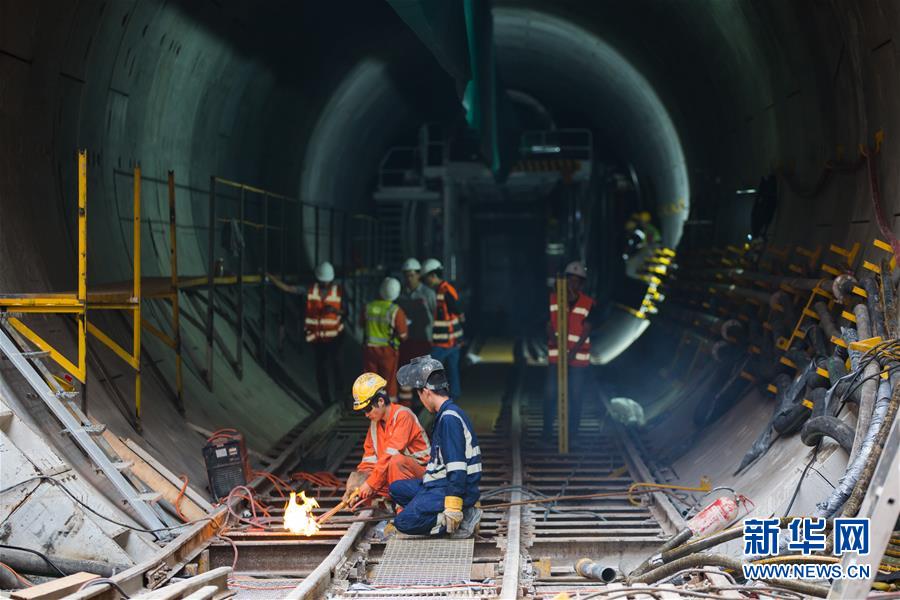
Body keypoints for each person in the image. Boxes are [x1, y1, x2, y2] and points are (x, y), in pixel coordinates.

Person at [389, 355, 482, 538]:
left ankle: (460, 519)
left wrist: (453, 505)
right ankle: (432, 509)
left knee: (403, 522)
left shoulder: (449, 419)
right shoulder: (447, 414)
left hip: (450, 488)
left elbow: (457, 467)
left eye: (419, 395)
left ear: (426, 392)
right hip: (436, 484)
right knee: (396, 489)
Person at [343, 372, 430, 506]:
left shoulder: (403, 416)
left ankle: (403, 511)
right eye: (363, 411)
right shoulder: (374, 426)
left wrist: (371, 484)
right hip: (398, 477)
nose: (366, 415)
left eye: (367, 409)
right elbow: (368, 462)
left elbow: (390, 457)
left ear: (381, 401)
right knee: (369, 481)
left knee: (395, 461)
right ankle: (389, 504)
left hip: (422, 476)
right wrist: (357, 486)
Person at [545, 260, 595, 439]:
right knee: (551, 394)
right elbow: (548, 326)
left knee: (575, 396)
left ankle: (573, 435)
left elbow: (587, 329)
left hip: (578, 360)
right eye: (570, 280)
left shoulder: (589, 303)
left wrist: (572, 353)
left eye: (577, 281)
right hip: (556, 357)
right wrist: (559, 346)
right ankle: (547, 434)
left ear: (582, 283)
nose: (573, 284)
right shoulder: (553, 299)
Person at [421, 258, 464, 400]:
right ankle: (453, 396)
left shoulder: (445, 290)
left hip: (446, 341)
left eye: (426, 277)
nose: (425, 281)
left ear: (433, 276)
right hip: (452, 339)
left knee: (428, 367)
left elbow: (457, 309)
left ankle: (431, 396)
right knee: (452, 369)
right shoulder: (441, 289)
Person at [396, 258, 437, 405]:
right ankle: (408, 403)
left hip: (423, 339)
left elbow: (434, 314)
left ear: (419, 275)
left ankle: (423, 401)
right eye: (406, 275)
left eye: (412, 275)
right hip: (407, 340)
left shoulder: (428, 294)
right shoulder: (399, 294)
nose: (409, 279)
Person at [362, 277, 408, 402]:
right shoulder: (395, 311)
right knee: (389, 381)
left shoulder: (368, 307)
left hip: (370, 350)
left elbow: (361, 324)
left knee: (371, 380)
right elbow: (403, 335)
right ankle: (389, 410)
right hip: (388, 351)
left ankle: (372, 406)